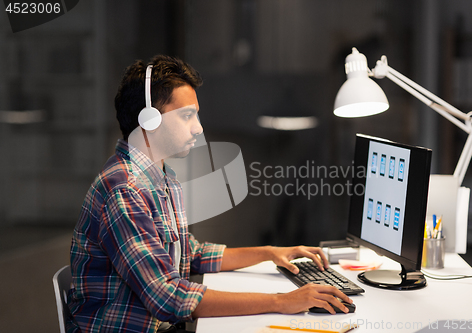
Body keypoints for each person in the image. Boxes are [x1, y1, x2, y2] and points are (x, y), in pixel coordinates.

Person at [66, 55, 353, 333]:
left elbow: (191, 254)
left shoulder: (158, 177)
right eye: (187, 115)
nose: (198, 128)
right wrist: (281, 301)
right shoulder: (126, 191)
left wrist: (269, 254)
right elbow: (169, 298)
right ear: (150, 120)